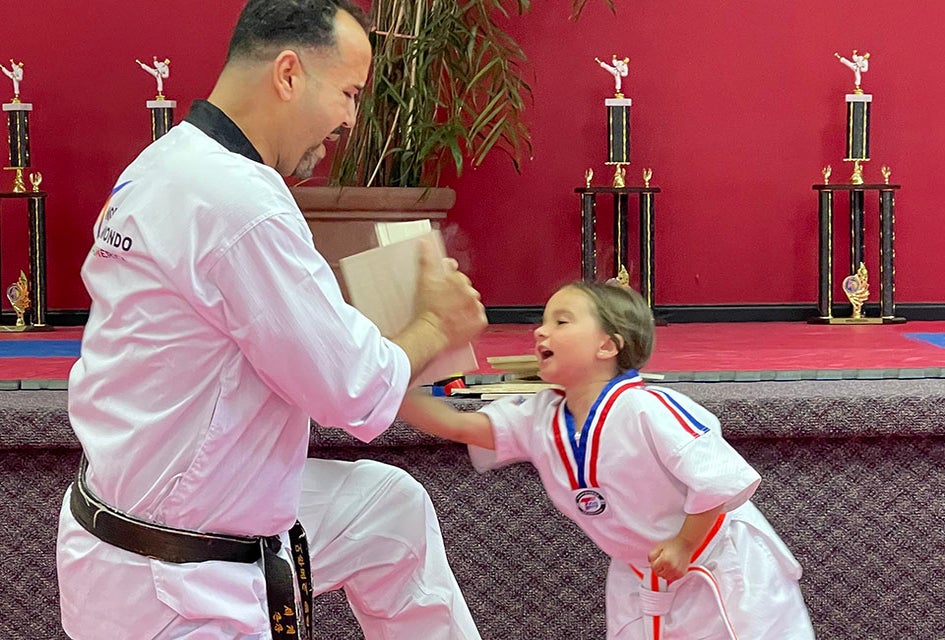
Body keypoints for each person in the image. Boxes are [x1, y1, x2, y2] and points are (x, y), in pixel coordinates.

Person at [56, 1, 487, 639]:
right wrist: (436, 324)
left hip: (141, 504)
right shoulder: (240, 201)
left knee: (389, 511)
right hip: (175, 577)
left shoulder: (164, 162)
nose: (351, 119)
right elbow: (351, 391)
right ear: (288, 74)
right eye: (348, 93)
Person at [399, 280, 816, 639]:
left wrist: (684, 543)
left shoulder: (649, 408)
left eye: (561, 321)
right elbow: (459, 426)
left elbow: (719, 481)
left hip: (720, 561)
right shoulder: (540, 415)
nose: (541, 331)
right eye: (543, 321)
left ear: (607, 345)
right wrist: (395, 379)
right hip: (641, 572)